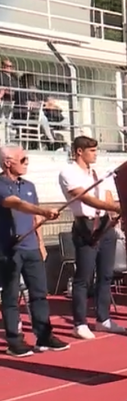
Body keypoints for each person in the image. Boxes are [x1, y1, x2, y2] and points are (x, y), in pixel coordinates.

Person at [0, 144, 67, 356]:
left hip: (31, 249)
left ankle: (44, 336)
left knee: (39, 294)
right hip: (8, 250)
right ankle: (15, 340)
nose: (27, 163)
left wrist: (40, 244)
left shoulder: (29, 185)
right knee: (11, 296)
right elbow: (15, 203)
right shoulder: (0, 184)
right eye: (23, 160)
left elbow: (34, 218)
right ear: (8, 162)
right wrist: (43, 210)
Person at [58, 136, 127, 339]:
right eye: (92, 151)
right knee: (84, 278)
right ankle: (79, 323)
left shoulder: (98, 172)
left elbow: (106, 196)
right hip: (86, 226)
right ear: (79, 151)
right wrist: (115, 207)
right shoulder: (68, 172)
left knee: (106, 275)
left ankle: (103, 319)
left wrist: (114, 214)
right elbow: (84, 197)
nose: (96, 154)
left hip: (105, 225)